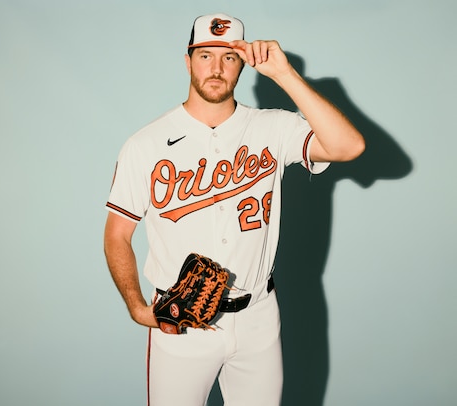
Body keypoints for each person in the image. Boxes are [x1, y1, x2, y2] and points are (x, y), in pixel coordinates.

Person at [104, 13, 365, 406]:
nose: (216, 68)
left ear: (243, 62)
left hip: (258, 315)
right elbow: (116, 234)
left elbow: (349, 147)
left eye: (228, 57)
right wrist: (136, 304)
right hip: (183, 321)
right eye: (205, 55)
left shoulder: (274, 128)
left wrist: (285, 75)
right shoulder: (145, 144)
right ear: (188, 60)